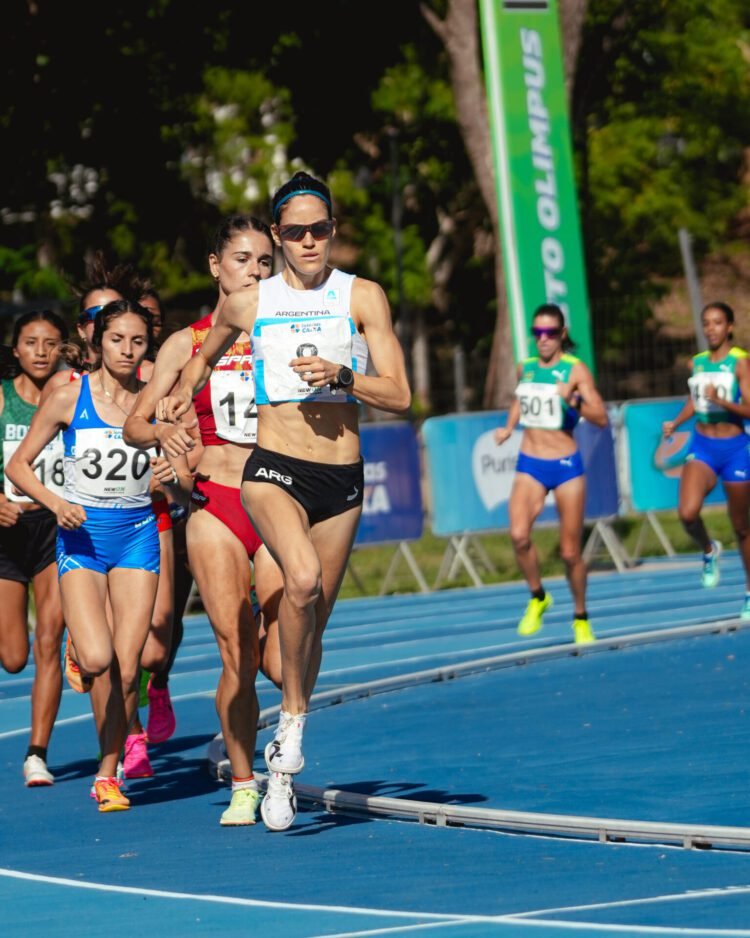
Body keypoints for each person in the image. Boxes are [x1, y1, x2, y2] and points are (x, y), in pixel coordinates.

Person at [159, 171, 411, 831]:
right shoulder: (249, 303)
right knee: (298, 579)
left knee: (311, 621)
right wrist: (174, 403)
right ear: (279, 234)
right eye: (294, 231)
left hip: (341, 477)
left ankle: (287, 738)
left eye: (318, 229)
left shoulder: (363, 297)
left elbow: (402, 395)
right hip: (274, 469)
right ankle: (286, 739)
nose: (307, 241)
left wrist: (344, 375)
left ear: (333, 231)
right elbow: (201, 356)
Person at [124, 214, 285, 827]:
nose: (256, 269)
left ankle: (285, 730)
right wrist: (166, 432)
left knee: (280, 655)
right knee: (236, 654)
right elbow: (136, 424)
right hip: (215, 502)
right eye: (243, 259)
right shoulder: (186, 344)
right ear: (216, 266)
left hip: (278, 496)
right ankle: (246, 781)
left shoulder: (283, 330)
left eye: (265, 261)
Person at [6, 299, 184, 812]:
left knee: (128, 671)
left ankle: (108, 774)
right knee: (99, 657)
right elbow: (20, 466)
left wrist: (170, 480)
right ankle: (81, 648)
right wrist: (56, 504)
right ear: (96, 343)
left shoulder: (157, 402)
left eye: (137, 341)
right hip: (82, 539)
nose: (128, 351)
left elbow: (183, 488)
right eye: (117, 340)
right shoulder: (68, 396)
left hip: (137, 537)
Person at [494, 303, 608, 644]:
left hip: (565, 465)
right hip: (530, 461)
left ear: (562, 335)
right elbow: (520, 399)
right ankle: (538, 596)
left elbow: (601, 417)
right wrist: (509, 427)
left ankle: (581, 616)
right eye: (537, 333)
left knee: (570, 552)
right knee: (518, 535)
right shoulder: (525, 367)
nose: (543, 340)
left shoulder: (575, 371)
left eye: (550, 333)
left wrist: (572, 399)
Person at [0, 310, 68, 786]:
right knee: (12, 658)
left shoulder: (73, 396)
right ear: (16, 349)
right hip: (8, 528)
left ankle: (36, 753)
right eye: (31, 343)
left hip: (55, 528)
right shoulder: (2, 400)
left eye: (50, 343)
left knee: (49, 640)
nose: (41, 352)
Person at [662, 301, 750, 616]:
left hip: (735, 449)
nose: (710, 329)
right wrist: (676, 421)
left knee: (741, 526)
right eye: (706, 323)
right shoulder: (697, 363)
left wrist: (722, 400)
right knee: (687, 513)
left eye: (717, 323)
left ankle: (749, 593)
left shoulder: (740, 363)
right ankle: (709, 550)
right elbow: (694, 399)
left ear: (729, 327)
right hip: (702, 447)